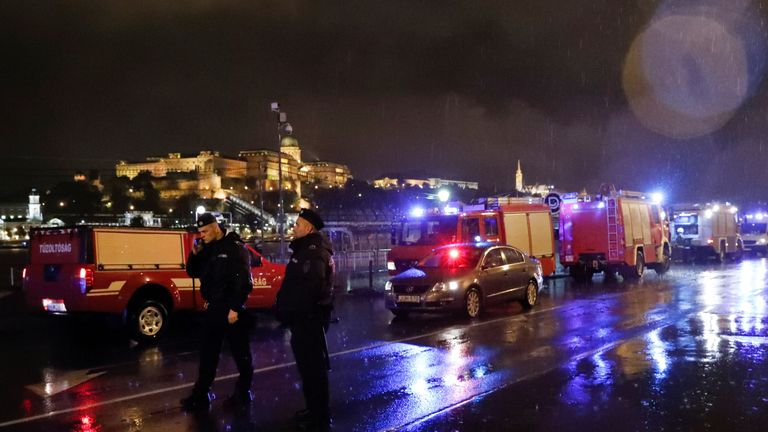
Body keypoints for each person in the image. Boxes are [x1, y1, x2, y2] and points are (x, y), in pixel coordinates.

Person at [180, 213, 254, 411]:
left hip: (231, 309)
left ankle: (243, 392)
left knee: (241, 354)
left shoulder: (235, 247)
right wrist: (194, 254)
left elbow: (244, 281)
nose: (202, 235)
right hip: (214, 307)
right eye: (200, 232)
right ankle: (201, 395)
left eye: (205, 231)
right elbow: (193, 272)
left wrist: (235, 307)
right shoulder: (208, 249)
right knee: (208, 353)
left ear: (215, 227)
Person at [276, 208, 335, 431]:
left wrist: (292, 311)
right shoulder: (306, 250)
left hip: (308, 320)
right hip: (303, 319)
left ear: (308, 228)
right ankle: (313, 409)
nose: (294, 227)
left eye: (298, 224)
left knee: (314, 370)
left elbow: (311, 289)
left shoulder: (312, 251)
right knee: (308, 369)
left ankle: (320, 416)